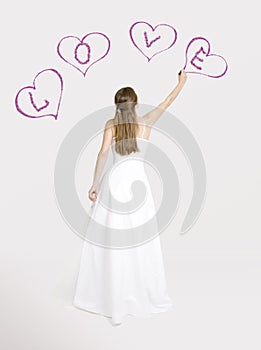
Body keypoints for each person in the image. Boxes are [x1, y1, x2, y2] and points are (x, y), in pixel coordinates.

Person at [73, 69, 187, 326]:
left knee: (110, 240)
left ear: (116, 106)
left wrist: (95, 184)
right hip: (138, 188)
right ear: (135, 104)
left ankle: (109, 295)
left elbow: (102, 154)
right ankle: (137, 290)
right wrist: (181, 83)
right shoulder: (145, 122)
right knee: (138, 240)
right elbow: (167, 101)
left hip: (114, 187)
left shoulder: (111, 125)